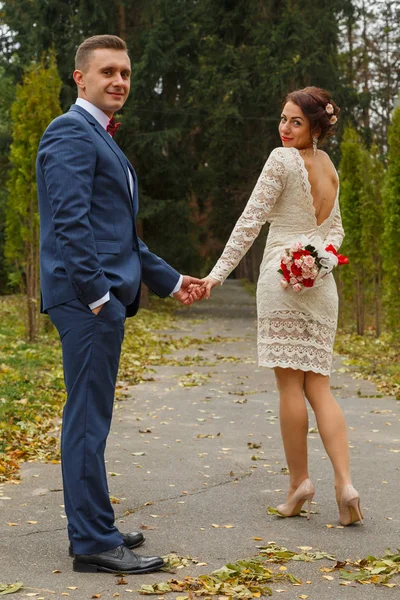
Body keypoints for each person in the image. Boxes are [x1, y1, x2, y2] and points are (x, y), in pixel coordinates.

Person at [37, 34, 203, 574]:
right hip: (87, 301)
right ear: (79, 77)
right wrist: (99, 297)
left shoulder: (100, 136)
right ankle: (90, 543)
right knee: (86, 421)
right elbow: (70, 224)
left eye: (126, 73)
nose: (119, 82)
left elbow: (120, 235)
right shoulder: (69, 131)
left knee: (94, 418)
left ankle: (97, 525)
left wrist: (172, 279)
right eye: (108, 71)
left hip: (99, 297)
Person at [201, 87, 363, 527]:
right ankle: (345, 484)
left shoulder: (281, 159)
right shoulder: (329, 167)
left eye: (296, 122)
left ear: (315, 127)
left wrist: (217, 274)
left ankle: (299, 485)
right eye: (282, 119)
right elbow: (337, 233)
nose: (285, 128)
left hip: (283, 281)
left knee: (292, 389)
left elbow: (250, 220)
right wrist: (319, 259)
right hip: (320, 285)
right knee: (320, 388)